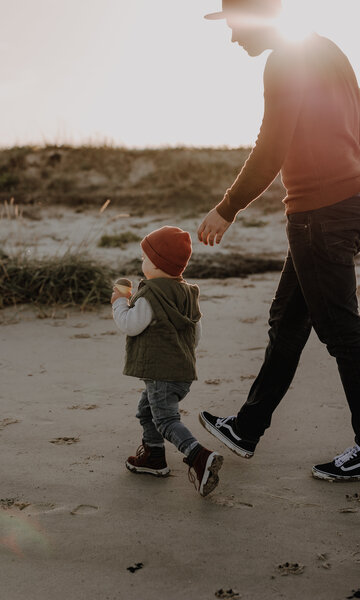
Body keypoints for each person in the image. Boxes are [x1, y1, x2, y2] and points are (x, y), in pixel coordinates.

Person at [197, 0, 360, 481]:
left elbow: (273, 143)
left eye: (233, 26)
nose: (232, 37)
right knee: (287, 322)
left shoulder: (285, 60)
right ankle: (247, 428)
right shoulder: (325, 49)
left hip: (320, 213)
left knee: (340, 329)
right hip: (341, 204)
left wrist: (227, 208)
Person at [111, 226, 223, 496]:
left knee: (165, 420)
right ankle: (154, 458)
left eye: (145, 259)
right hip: (181, 371)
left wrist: (118, 303)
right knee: (146, 410)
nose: (142, 263)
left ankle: (198, 455)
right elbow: (194, 333)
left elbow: (131, 325)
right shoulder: (187, 293)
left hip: (161, 373)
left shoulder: (151, 294)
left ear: (157, 264)